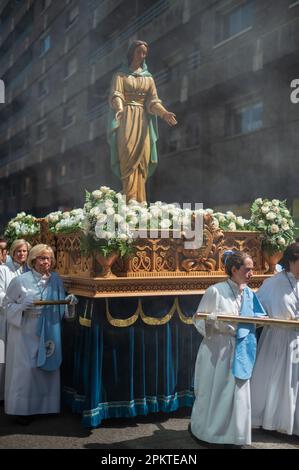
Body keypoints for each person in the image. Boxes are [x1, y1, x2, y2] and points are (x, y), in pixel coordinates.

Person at [190, 251, 265, 446]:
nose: (251, 274)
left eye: (252, 269)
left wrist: (258, 321)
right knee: (217, 392)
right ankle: (210, 433)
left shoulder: (249, 293)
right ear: (234, 269)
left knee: (237, 393)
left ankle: (235, 435)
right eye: (247, 269)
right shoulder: (215, 291)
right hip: (218, 349)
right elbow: (198, 320)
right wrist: (214, 322)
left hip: (240, 348)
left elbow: (258, 317)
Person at [3, 244, 77, 424]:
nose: (47, 262)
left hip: (50, 329)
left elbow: (61, 306)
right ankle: (21, 410)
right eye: (43, 258)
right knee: (27, 370)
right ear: (33, 260)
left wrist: (69, 303)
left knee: (48, 368)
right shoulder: (21, 281)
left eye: (50, 258)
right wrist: (21, 306)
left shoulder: (56, 280)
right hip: (25, 331)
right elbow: (6, 305)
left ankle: (47, 407)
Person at [108, 40, 177, 203]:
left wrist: (164, 113)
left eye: (144, 52)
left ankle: (140, 199)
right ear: (132, 53)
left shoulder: (149, 78)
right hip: (126, 118)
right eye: (139, 51)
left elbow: (153, 102)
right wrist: (119, 108)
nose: (142, 55)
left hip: (143, 120)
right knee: (128, 156)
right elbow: (116, 94)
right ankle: (128, 197)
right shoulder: (120, 75)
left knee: (142, 158)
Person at [251, 242, 299, 436]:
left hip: (296, 338)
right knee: (278, 380)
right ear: (291, 261)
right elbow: (256, 309)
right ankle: (273, 420)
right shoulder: (273, 283)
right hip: (278, 338)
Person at [0, 239, 31, 402]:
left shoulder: (29, 270)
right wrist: (17, 303)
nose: (21, 254)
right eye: (18, 251)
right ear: (12, 252)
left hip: (22, 318)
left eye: (24, 251)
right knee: (2, 357)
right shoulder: (3, 270)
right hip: (5, 318)